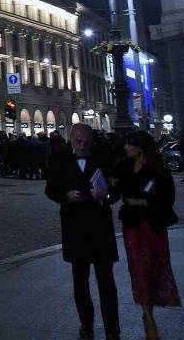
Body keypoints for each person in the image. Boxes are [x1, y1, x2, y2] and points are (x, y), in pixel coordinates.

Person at [45, 123, 120, 340]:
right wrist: (66, 195)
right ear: (71, 139)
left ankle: (113, 330)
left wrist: (106, 195)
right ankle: (86, 323)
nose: (82, 145)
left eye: (86, 141)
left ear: (92, 140)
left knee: (106, 281)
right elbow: (51, 189)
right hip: (74, 225)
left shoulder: (103, 157)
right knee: (80, 280)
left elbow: (116, 189)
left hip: (100, 225)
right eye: (78, 141)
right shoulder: (58, 159)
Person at [114, 130, 181, 338]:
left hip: (153, 224)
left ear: (141, 147)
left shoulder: (157, 168)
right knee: (139, 268)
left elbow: (167, 197)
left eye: (129, 145)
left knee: (156, 265)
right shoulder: (123, 166)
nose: (125, 148)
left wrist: (140, 202)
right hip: (133, 226)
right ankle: (149, 318)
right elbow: (115, 191)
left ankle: (149, 312)